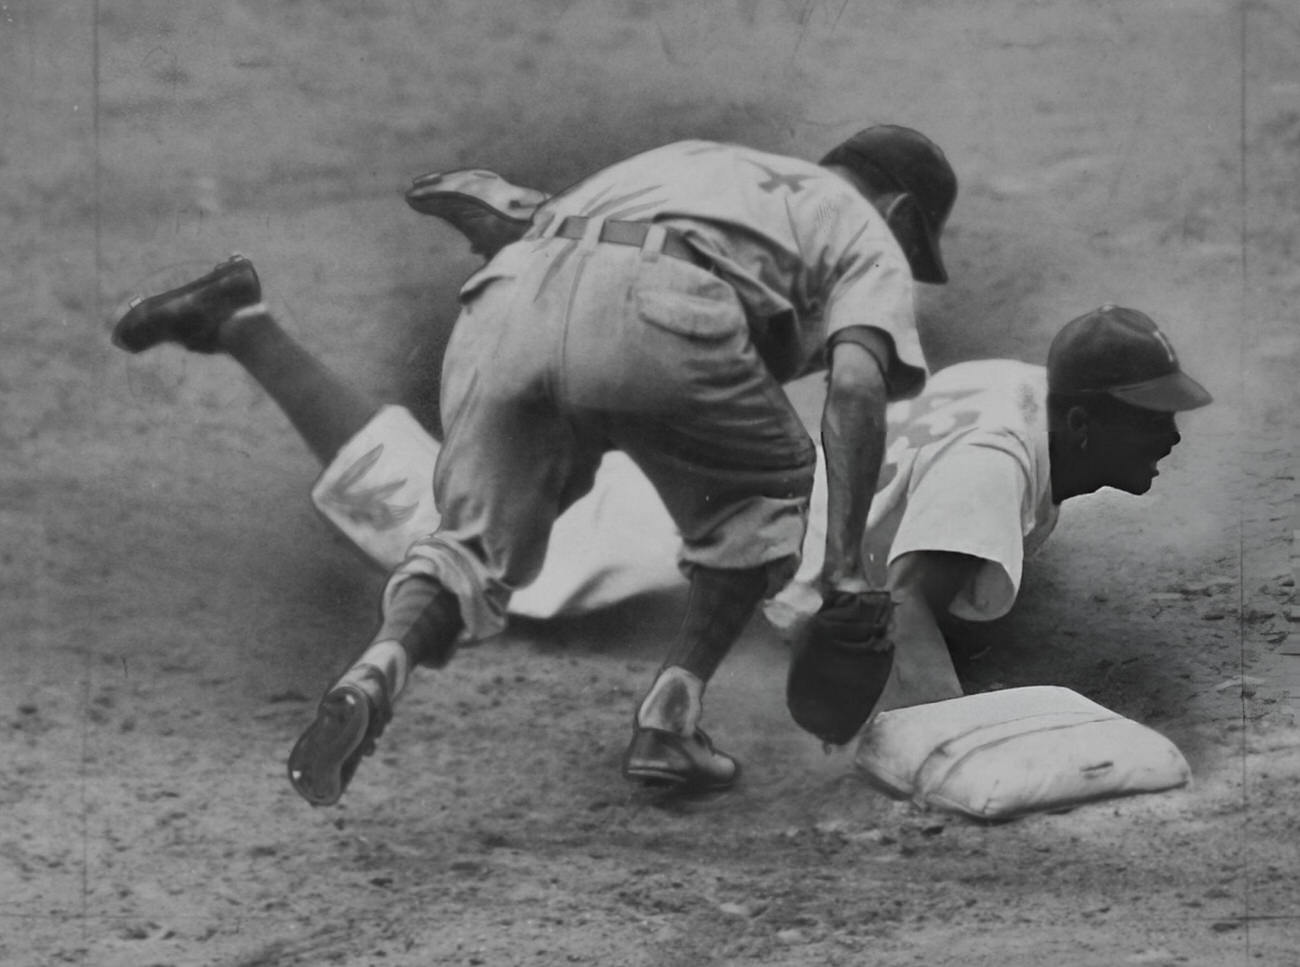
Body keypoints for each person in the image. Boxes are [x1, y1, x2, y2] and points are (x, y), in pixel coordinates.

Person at [112, 125, 960, 806]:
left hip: (524, 290)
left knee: (460, 538)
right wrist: (845, 574)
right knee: (765, 496)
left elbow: (593, 255)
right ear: (902, 214)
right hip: (664, 363)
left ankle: (379, 665)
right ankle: (672, 710)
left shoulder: (704, 164)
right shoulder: (865, 233)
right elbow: (853, 389)